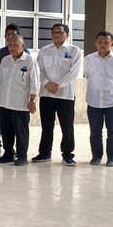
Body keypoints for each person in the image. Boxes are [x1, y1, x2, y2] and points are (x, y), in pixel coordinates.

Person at [33, 23, 82, 166]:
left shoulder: (74, 51)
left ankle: (67, 155)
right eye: (54, 32)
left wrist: (58, 85)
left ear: (67, 34)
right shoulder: (44, 50)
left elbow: (74, 72)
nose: (56, 34)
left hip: (65, 95)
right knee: (46, 126)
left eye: (60, 32)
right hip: (47, 94)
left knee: (67, 127)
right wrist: (47, 84)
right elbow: (39, 70)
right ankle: (44, 153)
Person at [0, 34, 39, 166]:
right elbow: (0, 81)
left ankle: (22, 156)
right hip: (5, 102)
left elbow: (35, 82)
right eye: (10, 45)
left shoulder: (30, 61)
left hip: (21, 103)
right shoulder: (5, 60)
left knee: (21, 131)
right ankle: (8, 154)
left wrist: (33, 100)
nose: (12, 47)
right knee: (6, 130)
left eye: (16, 44)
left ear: (22, 46)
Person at [0, 23, 28, 155]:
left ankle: (19, 151)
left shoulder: (27, 56)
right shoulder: (1, 54)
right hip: (2, 91)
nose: (10, 38)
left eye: (13, 34)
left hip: (19, 95)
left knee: (17, 124)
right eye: (8, 35)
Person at [84, 31, 113, 167]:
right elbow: (87, 75)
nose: (103, 44)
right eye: (100, 42)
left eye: (106, 42)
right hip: (94, 100)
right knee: (95, 132)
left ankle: (112, 158)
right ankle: (96, 156)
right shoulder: (89, 59)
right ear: (95, 43)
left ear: (112, 44)